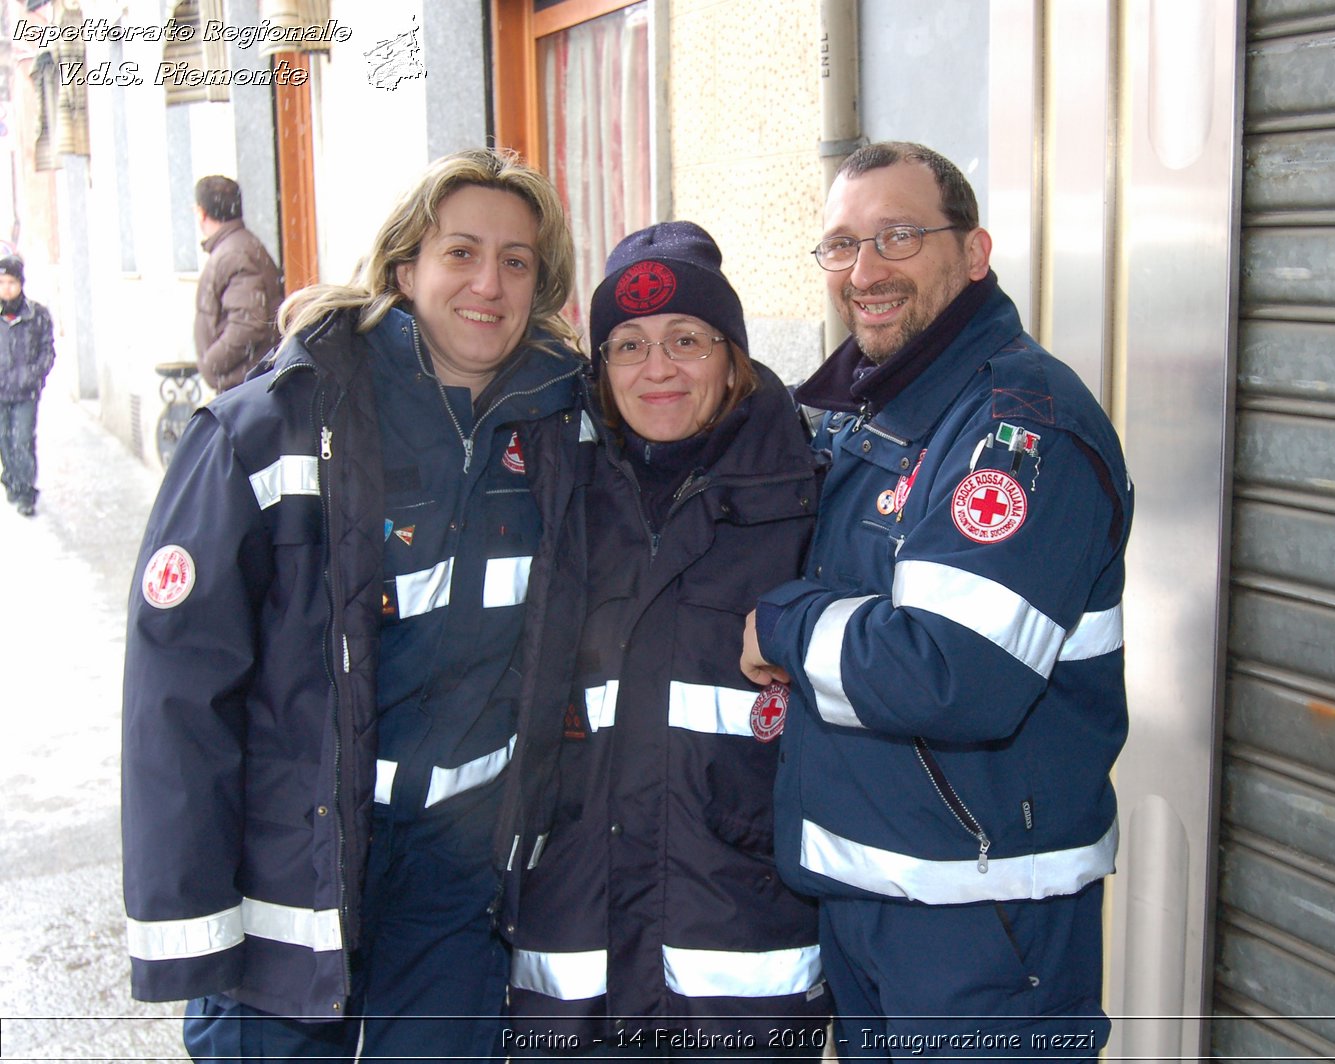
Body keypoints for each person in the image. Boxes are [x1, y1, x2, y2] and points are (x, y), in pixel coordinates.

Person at [122, 149, 590, 1063]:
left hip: (458, 885)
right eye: (461, 252)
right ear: (406, 265)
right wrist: (191, 918)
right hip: (295, 872)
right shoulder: (273, 429)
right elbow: (177, 695)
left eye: (517, 261)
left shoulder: (565, 430)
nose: (488, 284)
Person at [740, 141, 1132, 1057]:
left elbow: (954, 673)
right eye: (841, 245)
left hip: (984, 922)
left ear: (975, 251)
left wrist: (783, 624)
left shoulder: (1019, 427)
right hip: (875, 897)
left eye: (899, 237)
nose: (866, 271)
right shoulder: (875, 409)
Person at [503, 222, 832, 1059]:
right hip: (577, 946)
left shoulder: (810, 492)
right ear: (599, 367)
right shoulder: (558, 494)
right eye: (628, 345)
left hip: (739, 957)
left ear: (733, 357)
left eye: (687, 340)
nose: (657, 369)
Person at [192, 175, 285, 391]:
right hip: (248, 383)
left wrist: (210, 364)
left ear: (201, 212)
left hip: (244, 386)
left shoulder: (233, 253)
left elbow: (248, 324)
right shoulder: (238, 246)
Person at [0, 254, 54, 517]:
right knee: (4, 441)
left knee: (21, 440)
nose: (6, 288)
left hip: (25, 392)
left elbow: (47, 351)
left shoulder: (36, 315)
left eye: (11, 281)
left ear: (21, 283)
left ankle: (25, 492)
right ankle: (11, 478)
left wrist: (34, 375)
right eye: (1, 282)